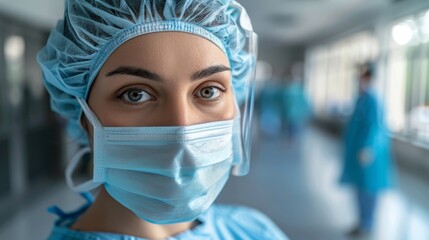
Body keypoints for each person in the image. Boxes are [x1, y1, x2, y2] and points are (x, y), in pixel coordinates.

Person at [37, 0, 288, 239]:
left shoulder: (253, 229)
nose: (182, 129)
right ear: (83, 115)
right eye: (135, 95)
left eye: (208, 91)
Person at [340, 63, 395, 238]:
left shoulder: (373, 99)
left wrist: (368, 148)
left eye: (361, 77)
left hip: (369, 154)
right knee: (359, 188)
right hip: (357, 152)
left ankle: (367, 223)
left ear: (368, 78)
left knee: (369, 189)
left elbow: (376, 127)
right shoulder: (361, 98)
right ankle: (362, 221)